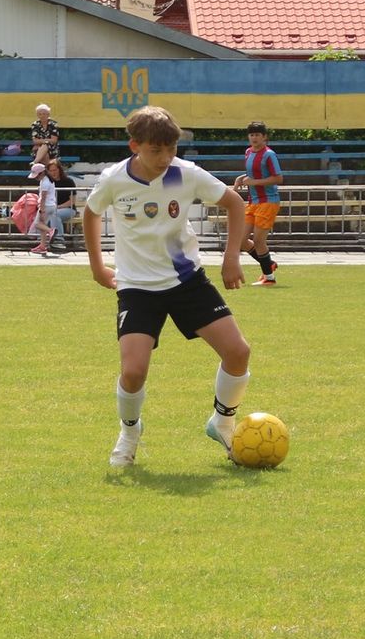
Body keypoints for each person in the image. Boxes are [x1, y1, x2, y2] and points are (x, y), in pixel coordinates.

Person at [83, 105, 253, 468]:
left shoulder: (184, 174)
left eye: (171, 149)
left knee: (238, 353)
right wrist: (98, 265)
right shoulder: (115, 179)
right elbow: (91, 212)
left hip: (186, 280)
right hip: (136, 287)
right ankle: (129, 432)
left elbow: (235, 203)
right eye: (155, 150)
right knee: (133, 371)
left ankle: (223, 422)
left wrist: (231, 256)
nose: (165, 158)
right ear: (135, 146)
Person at [233, 121, 283, 285]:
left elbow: (278, 178)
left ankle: (269, 277)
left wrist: (253, 182)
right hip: (253, 201)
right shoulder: (248, 152)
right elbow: (252, 173)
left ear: (264, 137)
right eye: (251, 134)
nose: (254, 138)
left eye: (257, 135)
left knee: (259, 240)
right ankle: (269, 265)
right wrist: (241, 178)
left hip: (268, 201)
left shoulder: (269, 154)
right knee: (241, 240)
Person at [28, 162, 58, 255]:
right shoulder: (48, 180)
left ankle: (51, 231)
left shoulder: (45, 182)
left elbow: (43, 197)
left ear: (42, 173)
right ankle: (42, 246)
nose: (36, 178)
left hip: (46, 206)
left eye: (37, 175)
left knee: (37, 224)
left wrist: (41, 208)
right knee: (42, 227)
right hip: (51, 205)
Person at [47, 158, 77, 250]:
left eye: (55, 170)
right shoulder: (47, 182)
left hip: (69, 209)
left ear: (59, 169)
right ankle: (41, 241)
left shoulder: (69, 182)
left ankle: (59, 240)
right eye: (51, 171)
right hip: (52, 208)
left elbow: (72, 201)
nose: (53, 173)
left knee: (54, 214)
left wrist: (58, 207)